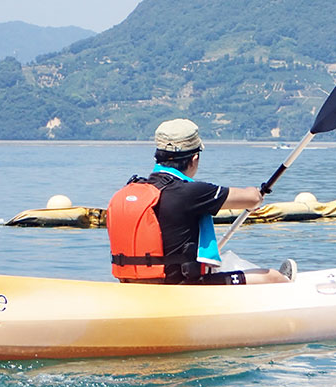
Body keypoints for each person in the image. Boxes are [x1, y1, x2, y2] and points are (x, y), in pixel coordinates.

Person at [108, 118, 295, 285]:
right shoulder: (191, 192)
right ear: (194, 158)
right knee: (272, 276)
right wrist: (257, 196)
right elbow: (253, 197)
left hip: (131, 282)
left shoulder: (132, 188)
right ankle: (286, 283)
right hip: (182, 286)